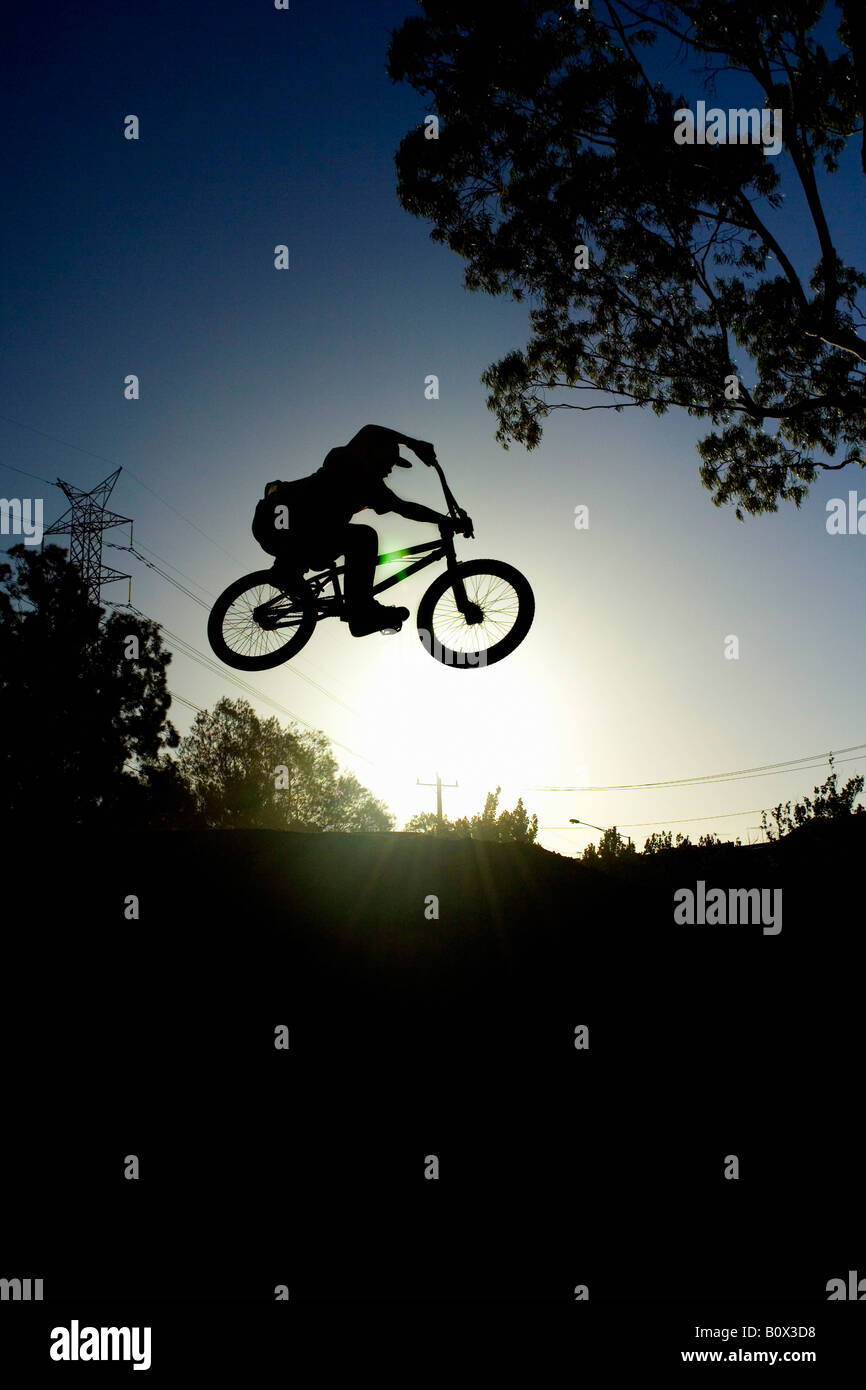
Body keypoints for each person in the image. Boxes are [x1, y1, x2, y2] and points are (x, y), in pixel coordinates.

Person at [258, 424, 472, 636]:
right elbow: (370, 430)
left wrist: (446, 521)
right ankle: (295, 572)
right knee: (363, 537)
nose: (390, 471)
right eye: (389, 462)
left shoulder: (373, 489)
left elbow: (404, 508)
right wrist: (413, 443)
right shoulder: (343, 459)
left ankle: (357, 611)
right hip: (277, 516)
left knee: (344, 540)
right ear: (375, 452)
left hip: (310, 538)